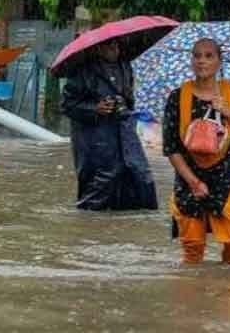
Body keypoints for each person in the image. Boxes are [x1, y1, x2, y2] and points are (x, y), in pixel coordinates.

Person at [163, 38, 230, 265]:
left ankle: (227, 279)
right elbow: (171, 148)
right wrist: (193, 183)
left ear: (219, 62)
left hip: (227, 176)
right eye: (197, 55)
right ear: (191, 61)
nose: (202, 61)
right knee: (193, 249)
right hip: (189, 179)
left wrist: (228, 112)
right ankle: (195, 294)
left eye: (209, 55)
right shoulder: (177, 97)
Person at [60, 39, 158, 211]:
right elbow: (67, 105)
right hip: (95, 137)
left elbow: (129, 99)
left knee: (140, 176)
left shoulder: (125, 66)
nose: (114, 49)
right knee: (102, 181)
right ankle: (88, 220)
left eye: (116, 45)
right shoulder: (83, 71)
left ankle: (132, 219)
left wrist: (125, 105)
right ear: (99, 48)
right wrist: (94, 108)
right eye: (109, 46)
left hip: (124, 131)